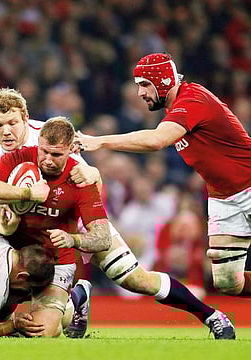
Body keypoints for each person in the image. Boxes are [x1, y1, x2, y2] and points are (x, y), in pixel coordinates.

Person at [0, 117, 236, 339]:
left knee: (136, 280)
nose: (48, 160)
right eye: (44, 151)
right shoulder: (17, 158)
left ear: (70, 150)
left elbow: (99, 236)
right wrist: (27, 192)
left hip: (75, 235)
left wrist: (73, 239)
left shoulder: (81, 177)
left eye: (56, 154)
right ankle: (75, 298)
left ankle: (212, 315)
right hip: (34, 249)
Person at [75, 53, 251, 299]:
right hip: (223, 199)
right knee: (228, 282)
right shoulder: (175, 109)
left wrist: (99, 141)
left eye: (145, 84)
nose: (140, 93)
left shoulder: (193, 99)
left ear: (164, 82)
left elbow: (157, 140)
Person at [0, 88, 98, 338]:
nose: (5, 131)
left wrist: (94, 173)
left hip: (62, 224)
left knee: (127, 271)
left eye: (12, 122)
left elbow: (92, 184)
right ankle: (66, 307)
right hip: (20, 234)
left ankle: (79, 290)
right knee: (36, 327)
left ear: (25, 118)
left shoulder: (48, 137)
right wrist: (4, 227)